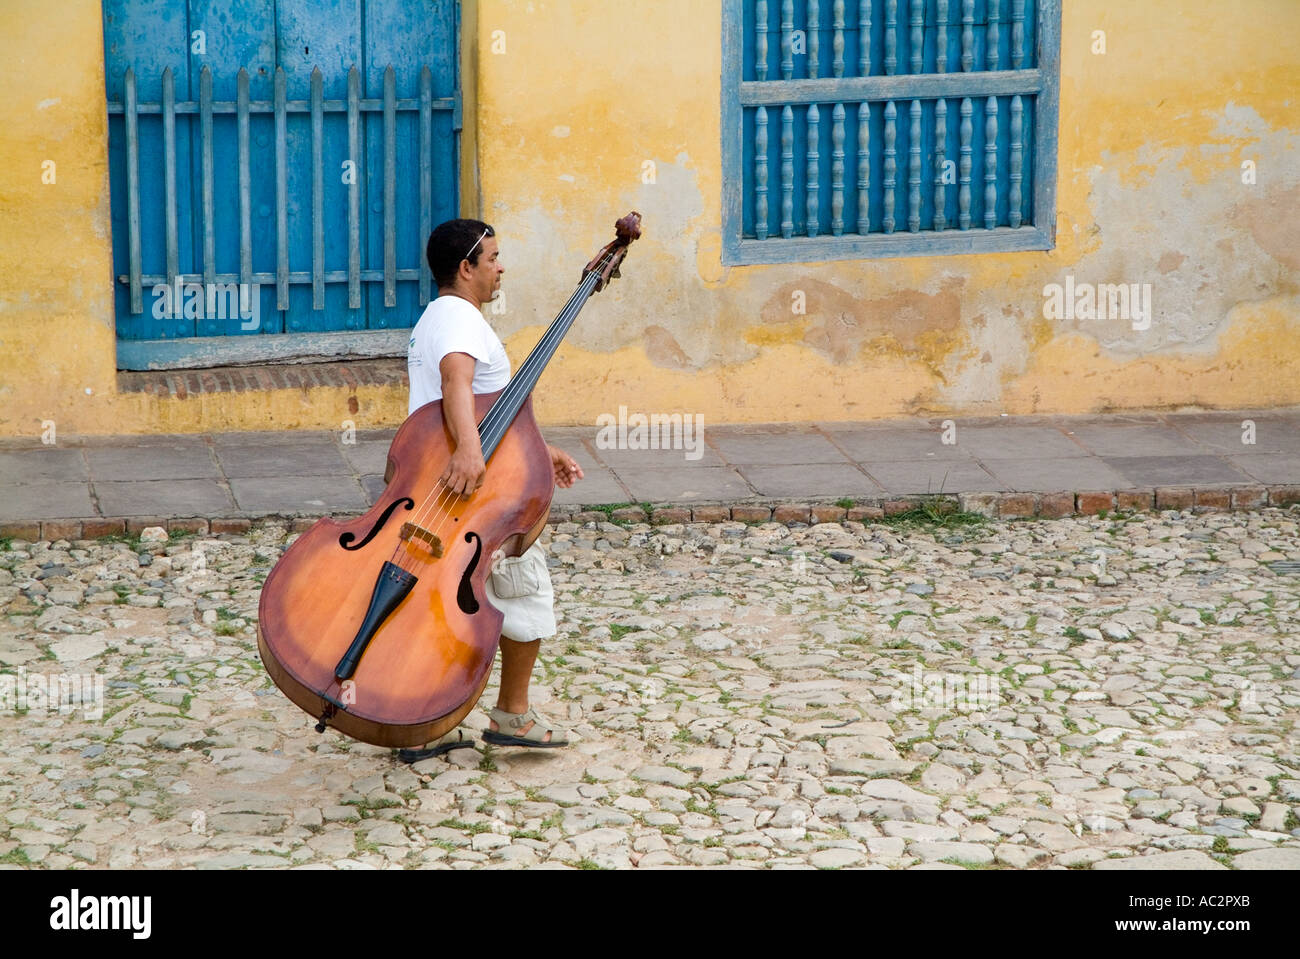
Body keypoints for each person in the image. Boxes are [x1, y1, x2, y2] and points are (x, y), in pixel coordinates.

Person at [397, 218, 583, 762]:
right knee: (525, 587)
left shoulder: (437, 315)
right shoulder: (460, 320)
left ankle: (419, 720)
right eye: (494, 258)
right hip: (470, 491)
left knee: (434, 597)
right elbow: (457, 382)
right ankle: (513, 717)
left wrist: (539, 453)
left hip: (435, 482)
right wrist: (471, 453)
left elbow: (487, 410)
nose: (501, 268)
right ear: (466, 268)